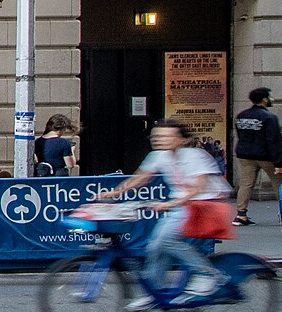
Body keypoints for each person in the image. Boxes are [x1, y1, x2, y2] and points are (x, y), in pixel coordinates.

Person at [96, 118, 232, 310]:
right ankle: (155, 293)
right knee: (155, 247)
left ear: (181, 139)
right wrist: (115, 193)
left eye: (165, 136)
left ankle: (208, 274)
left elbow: (199, 188)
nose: (158, 139)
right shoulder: (157, 156)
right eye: (156, 136)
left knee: (165, 241)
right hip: (183, 207)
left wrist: (171, 203)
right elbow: (140, 178)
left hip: (207, 205)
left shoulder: (195, 156)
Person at [233, 87, 282, 225]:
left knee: (246, 184)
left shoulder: (241, 115)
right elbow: (274, 141)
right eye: (269, 97)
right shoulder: (269, 117)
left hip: (245, 155)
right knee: (279, 184)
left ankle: (241, 215)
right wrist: (278, 163)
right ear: (264, 99)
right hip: (266, 156)